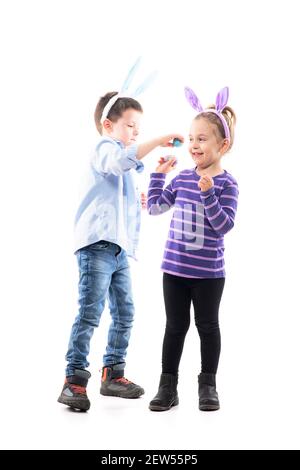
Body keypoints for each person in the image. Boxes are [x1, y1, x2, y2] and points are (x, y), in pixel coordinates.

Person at [57, 85, 184, 411]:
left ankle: (113, 373)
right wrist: (154, 141)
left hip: (118, 250)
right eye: (130, 126)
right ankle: (73, 380)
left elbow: (121, 194)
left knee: (125, 313)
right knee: (90, 312)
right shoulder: (104, 148)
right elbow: (117, 163)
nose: (135, 133)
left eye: (139, 129)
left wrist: (141, 197)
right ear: (107, 125)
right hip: (97, 246)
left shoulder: (124, 162)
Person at [147, 87, 239, 411]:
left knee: (207, 326)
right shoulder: (183, 178)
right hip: (174, 270)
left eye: (202, 139)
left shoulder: (227, 184)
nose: (194, 145)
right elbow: (156, 207)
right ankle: (167, 385)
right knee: (174, 327)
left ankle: (208, 386)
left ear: (222, 145)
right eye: (191, 138)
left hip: (209, 275)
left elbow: (224, 225)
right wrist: (158, 176)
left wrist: (210, 194)